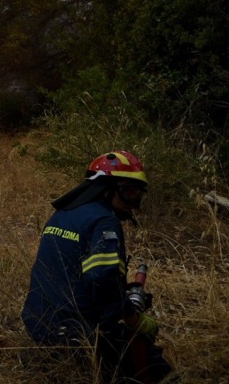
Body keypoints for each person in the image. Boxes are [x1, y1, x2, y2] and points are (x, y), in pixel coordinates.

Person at [22, 151, 173, 383]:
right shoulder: (104, 221)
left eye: (137, 194)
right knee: (155, 367)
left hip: (37, 323)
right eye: (128, 192)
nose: (133, 203)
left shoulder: (62, 214)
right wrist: (134, 318)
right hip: (72, 334)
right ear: (106, 188)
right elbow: (102, 280)